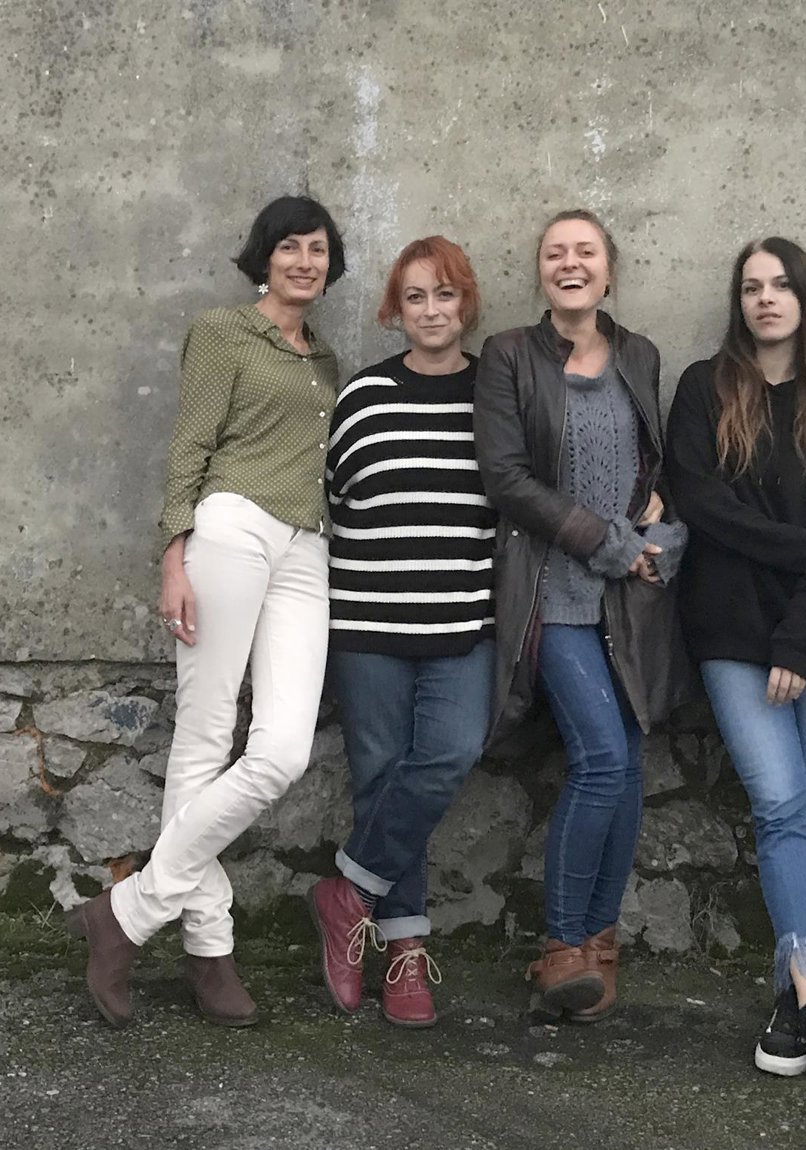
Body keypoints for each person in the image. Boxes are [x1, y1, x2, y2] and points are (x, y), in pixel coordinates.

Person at [66, 195, 346, 1029]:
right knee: (204, 736)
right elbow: (190, 444)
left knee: (282, 750)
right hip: (230, 528)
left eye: (318, 249)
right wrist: (173, 557)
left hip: (306, 547)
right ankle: (209, 950)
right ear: (264, 256)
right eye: (289, 247)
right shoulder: (223, 332)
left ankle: (124, 913)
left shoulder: (326, 360)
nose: (304, 261)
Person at [665, 237, 806, 1090]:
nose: (765, 298)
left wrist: (798, 639)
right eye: (751, 287)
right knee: (783, 804)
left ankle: (798, 1003)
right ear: (738, 303)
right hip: (730, 632)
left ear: (804, 299)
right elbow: (702, 505)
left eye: (781, 284)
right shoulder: (702, 389)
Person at [474, 208, 685, 1023]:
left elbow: (652, 462)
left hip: (629, 595)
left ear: (608, 270)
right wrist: (605, 541)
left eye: (585, 251)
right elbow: (506, 478)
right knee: (600, 755)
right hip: (550, 587)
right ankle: (561, 944)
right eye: (555, 252)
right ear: (542, 271)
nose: (570, 263)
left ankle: (599, 947)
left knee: (627, 762)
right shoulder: (509, 356)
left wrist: (657, 530)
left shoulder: (640, 354)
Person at [307, 237, 495, 1028]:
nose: (431, 311)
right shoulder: (364, 396)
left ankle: (346, 891)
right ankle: (404, 950)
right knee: (380, 778)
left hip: (464, 622)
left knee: (450, 753)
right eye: (415, 297)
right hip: (369, 624)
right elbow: (330, 501)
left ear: (467, 304)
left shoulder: (495, 394)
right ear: (395, 310)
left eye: (444, 295)